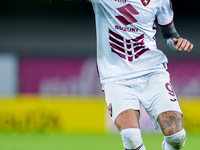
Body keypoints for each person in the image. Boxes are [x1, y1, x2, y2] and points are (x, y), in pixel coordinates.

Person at [48, 0, 193, 149]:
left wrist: (176, 42)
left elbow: (169, 34)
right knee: (131, 136)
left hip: (152, 71)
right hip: (116, 76)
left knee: (176, 136)